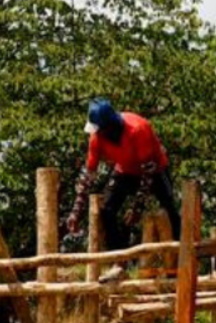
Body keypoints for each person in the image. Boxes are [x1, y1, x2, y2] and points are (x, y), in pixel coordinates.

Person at [66, 99, 180, 282]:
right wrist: (76, 210)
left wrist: (137, 208)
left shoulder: (138, 129)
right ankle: (119, 263)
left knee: (169, 208)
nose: (97, 134)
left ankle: (180, 264)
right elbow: (88, 174)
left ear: (109, 126)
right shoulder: (96, 137)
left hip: (154, 170)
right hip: (125, 170)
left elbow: (148, 174)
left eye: (99, 130)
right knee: (107, 210)